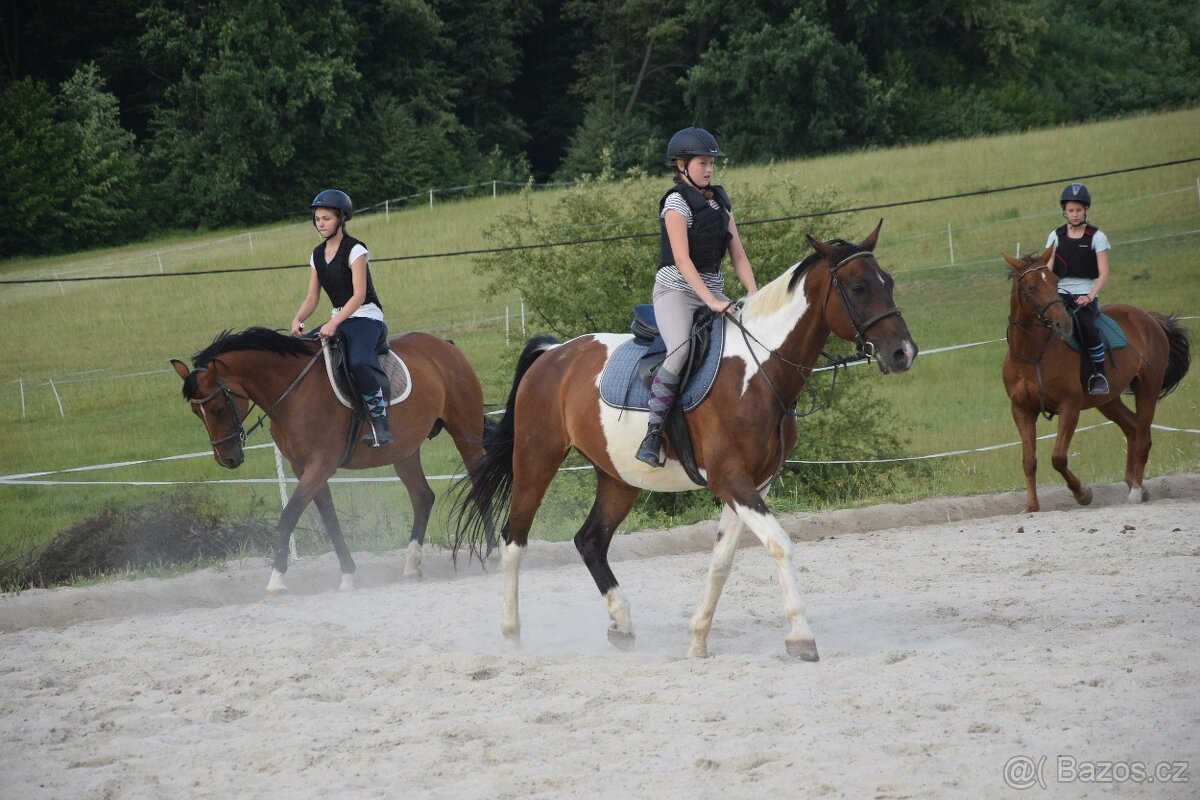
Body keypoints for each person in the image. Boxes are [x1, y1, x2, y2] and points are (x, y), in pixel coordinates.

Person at [635, 127, 758, 467]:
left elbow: (738, 256)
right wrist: (713, 301)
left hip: (712, 290)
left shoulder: (720, 202)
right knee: (679, 352)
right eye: (703, 163)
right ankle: (653, 433)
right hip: (676, 291)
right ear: (681, 164)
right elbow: (682, 260)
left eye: (711, 164)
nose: (709, 169)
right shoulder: (675, 203)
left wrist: (754, 293)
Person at [290, 189, 394, 446]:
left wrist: (334, 323)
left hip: (366, 317)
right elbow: (313, 298)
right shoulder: (316, 255)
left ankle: (381, 424)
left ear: (341, 218)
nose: (320, 224)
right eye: (317, 219)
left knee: (358, 362)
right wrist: (298, 319)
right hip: (339, 319)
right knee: (301, 355)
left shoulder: (356, 250)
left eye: (326, 218)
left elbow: (359, 295)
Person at [1045, 182, 1112, 396]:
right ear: (1064, 211)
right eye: (1071, 210)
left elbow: (1104, 273)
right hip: (1060, 293)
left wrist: (1089, 296)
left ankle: (1099, 374)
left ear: (1086, 210)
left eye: (1079, 210)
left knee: (1086, 324)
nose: (1075, 214)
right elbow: (1047, 271)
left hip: (1086, 294)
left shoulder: (1097, 237)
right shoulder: (1055, 236)